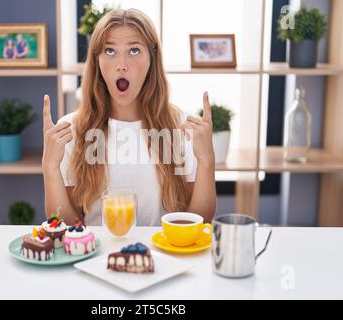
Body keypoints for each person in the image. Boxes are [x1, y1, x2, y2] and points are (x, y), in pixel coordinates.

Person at [42, 9, 216, 226]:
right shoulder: (71, 130)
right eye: (110, 51)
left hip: (163, 256)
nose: (121, 64)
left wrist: (207, 160)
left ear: (152, 59)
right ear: (97, 61)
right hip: (98, 257)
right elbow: (68, 226)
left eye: (134, 50)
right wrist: (50, 166)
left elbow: (200, 221)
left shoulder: (183, 127)